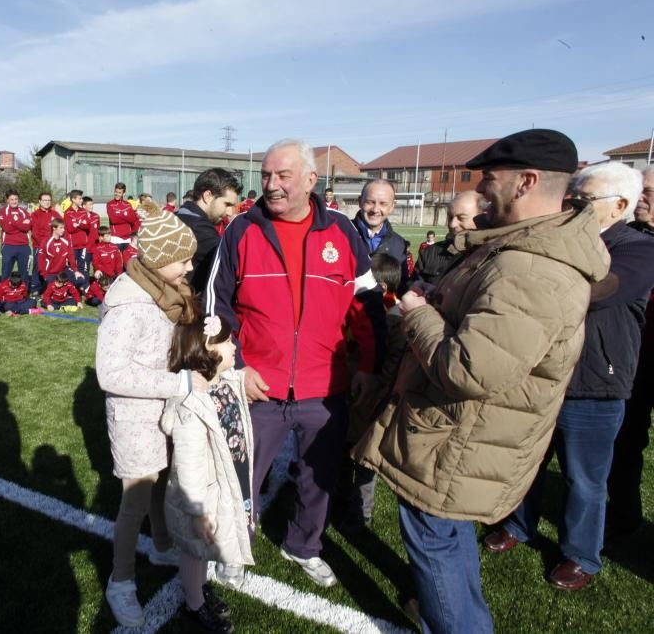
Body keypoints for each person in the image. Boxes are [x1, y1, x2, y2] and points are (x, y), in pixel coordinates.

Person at [353, 129, 610, 633]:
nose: (483, 189)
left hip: (458, 444)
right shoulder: (520, 249)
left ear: (526, 182)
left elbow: (469, 368)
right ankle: (443, 613)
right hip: (459, 438)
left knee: (435, 544)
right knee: (444, 542)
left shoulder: (530, 269)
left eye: (491, 179)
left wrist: (418, 313)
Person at [208, 138, 386, 588]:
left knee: (319, 478)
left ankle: (303, 545)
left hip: (325, 385)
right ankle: (232, 545)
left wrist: (366, 364)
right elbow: (216, 307)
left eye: (283, 175)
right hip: (257, 385)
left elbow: (365, 302)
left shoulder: (342, 233)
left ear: (310, 179)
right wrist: (237, 368)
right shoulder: (241, 231)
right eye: (266, 175)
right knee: (240, 476)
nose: (271, 184)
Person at [483, 161, 654, 590]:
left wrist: (536, 280)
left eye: (582, 199)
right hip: (542, 376)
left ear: (619, 204)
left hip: (595, 384)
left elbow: (594, 293)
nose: (572, 206)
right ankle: (518, 526)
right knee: (528, 461)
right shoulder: (563, 238)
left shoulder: (637, 248)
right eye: (570, 198)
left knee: (584, 478)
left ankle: (580, 555)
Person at [96, 208, 203, 628]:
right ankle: (120, 581)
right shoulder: (129, 303)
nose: (191, 266)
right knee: (135, 500)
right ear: (158, 260)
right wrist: (180, 385)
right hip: (134, 418)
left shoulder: (162, 292)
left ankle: (160, 545)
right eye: (183, 259)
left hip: (160, 413)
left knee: (160, 485)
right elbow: (111, 373)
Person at [162, 315, 254, 633]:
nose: (234, 346)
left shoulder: (218, 383)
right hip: (200, 494)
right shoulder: (192, 405)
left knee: (203, 550)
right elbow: (188, 465)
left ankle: (199, 590)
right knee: (194, 549)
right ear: (208, 350)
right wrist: (198, 511)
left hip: (217, 486)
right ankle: (193, 604)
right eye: (227, 342)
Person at [335, 252, 408, 534]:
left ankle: (361, 515)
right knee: (342, 454)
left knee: (364, 465)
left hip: (370, 404)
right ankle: (341, 502)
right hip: (351, 396)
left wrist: (371, 391)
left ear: (383, 290)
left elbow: (389, 371)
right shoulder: (369, 313)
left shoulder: (396, 321)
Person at [607, 165, 654, 538]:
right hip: (634, 359)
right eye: (640, 190)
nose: (641, 198)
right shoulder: (629, 239)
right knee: (627, 441)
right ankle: (623, 516)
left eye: (649, 191)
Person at [176, 168, 240, 292]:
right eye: (226, 204)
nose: (228, 212)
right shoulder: (198, 228)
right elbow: (231, 261)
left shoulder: (181, 215)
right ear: (208, 196)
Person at [413, 191, 485, 285]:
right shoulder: (429, 253)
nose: (452, 224)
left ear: (482, 218)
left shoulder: (490, 256)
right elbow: (413, 287)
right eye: (450, 217)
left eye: (461, 218)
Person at [352, 179, 409, 291]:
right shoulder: (342, 234)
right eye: (370, 202)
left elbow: (402, 285)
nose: (375, 209)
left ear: (392, 206)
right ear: (360, 202)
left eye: (383, 203)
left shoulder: (399, 244)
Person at [39, 218, 86, 287]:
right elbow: (41, 260)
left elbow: (71, 256)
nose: (63, 230)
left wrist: (75, 271)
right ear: (54, 228)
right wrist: (45, 275)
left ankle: (69, 288)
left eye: (63, 228)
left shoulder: (66, 241)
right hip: (51, 273)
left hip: (64, 271)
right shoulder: (46, 242)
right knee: (54, 288)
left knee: (80, 280)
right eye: (61, 228)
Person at [30, 191, 62, 295]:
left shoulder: (55, 214)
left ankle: (51, 287)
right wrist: (45, 246)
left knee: (53, 267)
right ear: (39, 201)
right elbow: (35, 233)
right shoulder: (35, 215)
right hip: (40, 246)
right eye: (44, 200)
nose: (47, 202)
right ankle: (35, 287)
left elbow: (61, 229)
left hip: (54, 246)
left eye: (48, 200)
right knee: (38, 266)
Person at [0, 189, 33, 281]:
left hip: (23, 246)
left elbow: (27, 227)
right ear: (7, 200)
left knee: (24, 272)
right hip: (8, 246)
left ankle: (24, 292)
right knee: (6, 272)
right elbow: (7, 228)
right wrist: (21, 223)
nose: (14, 201)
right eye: (12, 199)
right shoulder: (3, 211)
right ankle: (4, 293)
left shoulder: (23, 211)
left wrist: (13, 223)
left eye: (16, 199)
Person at [63, 189, 91, 272]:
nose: (81, 200)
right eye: (79, 199)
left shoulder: (83, 211)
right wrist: (81, 224)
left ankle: (84, 284)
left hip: (83, 245)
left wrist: (78, 224)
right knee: (73, 268)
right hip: (73, 246)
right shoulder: (67, 213)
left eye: (81, 198)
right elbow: (70, 229)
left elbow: (88, 226)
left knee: (83, 268)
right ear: (73, 199)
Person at [107, 182, 140, 249]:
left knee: (128, 259)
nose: (117, 194)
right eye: (116, 192)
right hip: (116, 238)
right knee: (117, 259)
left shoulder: (128, 204)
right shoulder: (110, 204)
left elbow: (133, 219)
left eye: (119, 192)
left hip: (128, 238)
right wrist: (126, 216)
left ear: (123, 193)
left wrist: (119, 215)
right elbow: (114, 220)